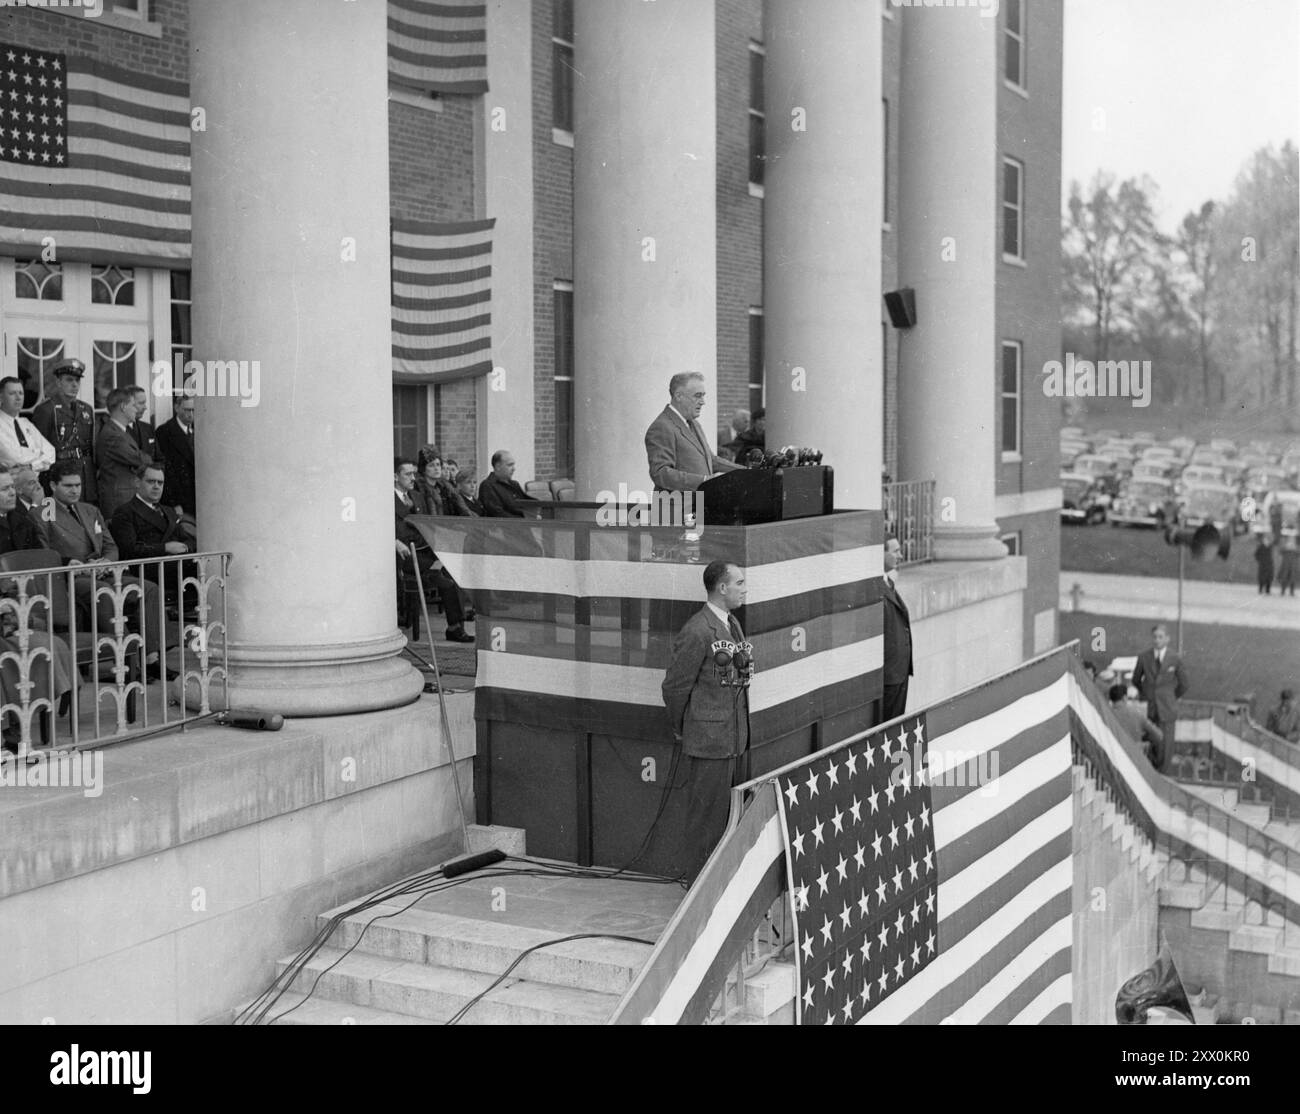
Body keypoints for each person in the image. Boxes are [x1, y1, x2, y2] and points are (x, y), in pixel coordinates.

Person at [661, 560, 753, 882]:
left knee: (725, 819)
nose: (745, 588)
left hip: (732, 740)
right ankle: (698, 891)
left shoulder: (732, 624)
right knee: (706, 823)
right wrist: (686, 729)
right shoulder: (698, 630)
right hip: (709, 744)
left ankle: (718, 885)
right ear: (722, 588)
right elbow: (674, 688)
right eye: (739, 582)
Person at [43, 460, 174, 680]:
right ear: (53, 486)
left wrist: (105, 561)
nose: (75, 490)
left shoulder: (89, 510)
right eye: (68, 486)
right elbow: (44, 551)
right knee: (104, 593)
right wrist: (75, 565)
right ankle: (125, 662)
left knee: (149, 589)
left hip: (103, 570)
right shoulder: (45, 512)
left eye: (78, 485)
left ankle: (151, 658)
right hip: (72, 577)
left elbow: (110, 545)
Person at [0, 467, 78, 752]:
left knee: (47, 644)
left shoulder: (21, 519)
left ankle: (22, 720)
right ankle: (11, 725)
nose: (11, 493)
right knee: (17, 648)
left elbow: (39, 555)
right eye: (4, 489)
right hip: (7, 611)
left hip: (17, 606)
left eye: (11, 487)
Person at [394, 458, 473, 643]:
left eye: (414, 473)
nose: (413, 478)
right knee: (445, 580)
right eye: (407, 474)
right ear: (395, 477)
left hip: (425, 549)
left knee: (454, 570)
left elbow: (427, 525)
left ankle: (456, 626)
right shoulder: (385, 500)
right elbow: (379, 527)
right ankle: (455, 626)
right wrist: (394, 541)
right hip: (402, 554)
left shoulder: (416, 496)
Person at [644, 372, 745, 492]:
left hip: (697, 506)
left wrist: (747, 472)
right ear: (678, 396)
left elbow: (710, 460)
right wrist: (705, 481)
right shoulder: (662, 426)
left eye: (703, 395)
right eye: (697, 396)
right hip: (677, 508)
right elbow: (660, 473)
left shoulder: (693, 423)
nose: (703, 402)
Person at [110, 464, 194, 593]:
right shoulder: (125, 512)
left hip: (173, 565)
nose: (156, 486)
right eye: (151, 482)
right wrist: (165, 548)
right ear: (137, 482)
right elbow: (129, 550)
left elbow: (188, 540)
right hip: (147, 569)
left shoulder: (169, 511)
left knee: (208, 565)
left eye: (160, 483)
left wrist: (185, 547)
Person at [30, 358, 96, 502]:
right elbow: (38, 449)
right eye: (69, 380)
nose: (74, 385)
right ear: (58, 382)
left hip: (85, 471)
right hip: (59, 472)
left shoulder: (86, 409)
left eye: (77, 381)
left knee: (85, 513)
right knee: (59, 516)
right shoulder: (46, 410)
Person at [1130, 624, 1188, 773]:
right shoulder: (1144, 657)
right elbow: (1136, 680)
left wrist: (1170, 697)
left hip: (1167, 709)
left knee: (1166, 745)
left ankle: (1163, 775)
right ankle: (1150, 775)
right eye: (1155, 637)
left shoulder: (1175, 658)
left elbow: (1184, 684)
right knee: (1151, 742)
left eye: (1160, 637)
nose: (1157, 640)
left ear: (1167, 639)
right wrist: (1146, 695)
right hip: (1150, 708)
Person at [95, 387, 154, 517]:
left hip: (125, 497)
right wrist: (145, 457)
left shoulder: (120, 431)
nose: (136, 409)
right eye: (133, 405)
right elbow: (139, 459)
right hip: (119, 501)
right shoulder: (113, 434)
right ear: (123, 406)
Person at [880, 536, 913, 722]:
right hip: (889, 676)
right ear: (880, 553)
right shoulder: (876, 587)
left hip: (899, 672)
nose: (900, 555)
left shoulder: (888, 582)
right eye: (895, 551)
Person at [0, 376, 55, 478]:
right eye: (12, 393)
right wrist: (37, 454)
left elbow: (51, 452)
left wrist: (31, 466)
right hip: (8, 486)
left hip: (32, 484)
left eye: (21, 393)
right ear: (1, 397)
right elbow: (15, 458)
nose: (18, 397)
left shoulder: (25, 423)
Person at [154, 394, 197, 516]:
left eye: (193, 410)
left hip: (197, 497)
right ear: (176, 408)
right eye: (187, 410)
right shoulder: (164, 432)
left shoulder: (199, 429)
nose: (191, 415)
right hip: (179, 499)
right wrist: (175, 503)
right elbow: (165, 469)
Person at [1108, 683, 1164, 766]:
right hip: (1135, 762)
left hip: (1112, 760)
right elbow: (1159, 735)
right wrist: (1145, 740)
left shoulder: (1105, 715)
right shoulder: (1136, 714)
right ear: (1124, 698)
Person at [478, 450, 538, 518]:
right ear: (498, 467)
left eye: (513, 465)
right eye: (510, 465)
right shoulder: (487, 486)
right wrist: (524, 519)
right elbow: (497, 513)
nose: (514, 469)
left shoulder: (514, 484)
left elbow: (527, 503)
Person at [128, 386, 159, 462]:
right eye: (141, 403)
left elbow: (159, 458)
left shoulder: (148, 428)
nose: (145, 407)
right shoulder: (117, 430)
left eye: (144, 403)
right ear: (128, 404)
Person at [1278, 531, 1298, 596]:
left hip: (1293, 565)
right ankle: (1283, 590)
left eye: (1292, 538)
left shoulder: (1296, 546)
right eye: (1290, 538)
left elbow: (1298, 553)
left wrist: (1295, 548)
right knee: (1284, 577)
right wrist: (1286, 547)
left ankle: (1292, 591)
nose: (1291, 539)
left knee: (1293, 578)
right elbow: (1280, 551)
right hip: (1285, 565)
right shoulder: (1285, 545)